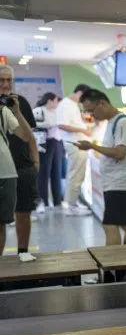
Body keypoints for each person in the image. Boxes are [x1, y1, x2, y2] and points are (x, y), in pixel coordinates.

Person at [76, 90, 126, 246]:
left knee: (110, 225)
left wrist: (92, 146)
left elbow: (120, 153)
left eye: (92, 110)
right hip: (115, 182)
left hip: (122, 183)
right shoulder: (113, 122)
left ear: (102, 103)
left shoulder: (124, 123)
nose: (91, 115)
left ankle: (114, 266)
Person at [1, 66, 39, 254]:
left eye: (9, 80)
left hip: (22, 166)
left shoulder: (20, 102)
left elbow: (29, 136)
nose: (6, 84)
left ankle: (22, 252)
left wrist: (36, 162)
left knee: (23, 213)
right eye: (1, 80)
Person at [57, 83, 93, 215]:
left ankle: (73, 201)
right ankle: (70, 205)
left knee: (78, 175)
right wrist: (83, 130)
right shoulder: (66, 105)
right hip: (74, 143)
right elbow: (62, 125)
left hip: (78, 143)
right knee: (75, 175)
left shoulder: (73, 105)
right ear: (80, 93)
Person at [33, 92, 64, 214]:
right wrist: (51, 124)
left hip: (57, 142)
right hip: (44, 143)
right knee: (44, 173)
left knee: (57, 172)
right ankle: (43, 201)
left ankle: (57, 201)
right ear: (49, 101)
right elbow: (34, 124)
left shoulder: (57, 112)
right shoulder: (39, 110)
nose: (57, 104)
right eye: (56, 101)